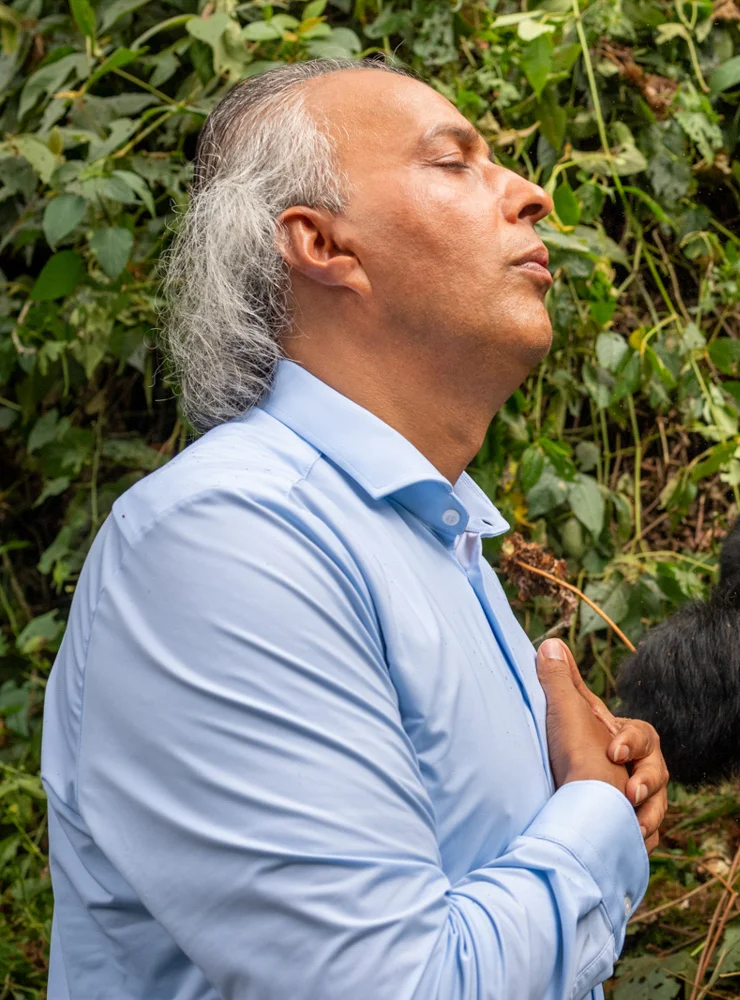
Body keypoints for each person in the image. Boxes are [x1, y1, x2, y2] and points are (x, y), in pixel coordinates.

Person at [40, 57, 668, 1000]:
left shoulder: (435, 537)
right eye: (454, 163)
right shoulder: (227, 540)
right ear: (322, 244)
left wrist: (579, 789)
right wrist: (592, 817)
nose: (533, 194)